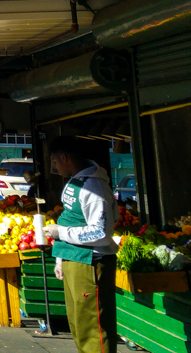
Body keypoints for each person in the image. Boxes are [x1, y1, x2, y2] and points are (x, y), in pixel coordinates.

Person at [44, 136, 118, 353]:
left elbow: (102, 232)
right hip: (74, 259)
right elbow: (72, 217)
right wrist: (61, 258)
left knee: (92, 328)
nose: (55, 167)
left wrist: (60, 232)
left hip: (89, 263)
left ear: (65, 157)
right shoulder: (76, 182)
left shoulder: (94, 187)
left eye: (55, 161)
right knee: (79, 325)